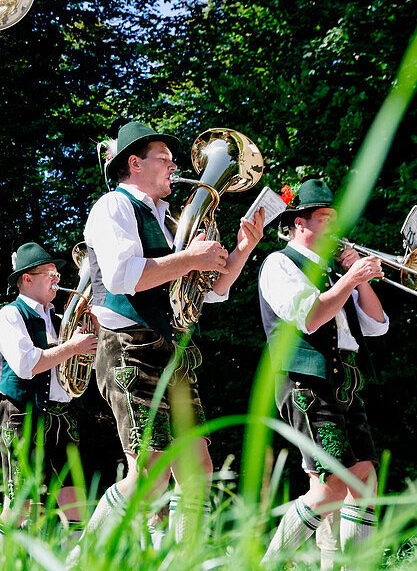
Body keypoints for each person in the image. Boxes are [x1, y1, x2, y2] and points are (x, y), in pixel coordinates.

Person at [75, 121, 265, 553]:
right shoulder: (113, 206)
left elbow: (212, 292)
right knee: (149, 471)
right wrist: (188, 256)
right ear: (135, 163)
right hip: (129, 347)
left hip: (172, 349)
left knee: (198, 466)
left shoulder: (170, 222)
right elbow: (124, 277)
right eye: (165, 158)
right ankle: (81, 557)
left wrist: (240, 250)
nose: (176, 166)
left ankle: (186, 560)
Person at [258, 179, 386, 561]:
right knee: (330, 485)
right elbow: (312, 317)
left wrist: (359, 281)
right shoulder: (279, 263)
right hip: (306, 382)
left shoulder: (332, 273)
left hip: (345, 380)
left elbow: (378, 324)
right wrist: (351, 278)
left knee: (362, 477)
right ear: (301, 223)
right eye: (326, 218)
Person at [0, 242, 97, 538]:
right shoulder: (9, 316)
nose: (57, 280)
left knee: (75, 503)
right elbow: (27, 365)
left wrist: (92, 338)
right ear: (27, 279)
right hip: (22, 414)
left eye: (57, 275)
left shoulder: (60, 320)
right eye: (49, 274)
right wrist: (72, 346)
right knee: (21, 506)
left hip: (63, 417)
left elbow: (81, 366)